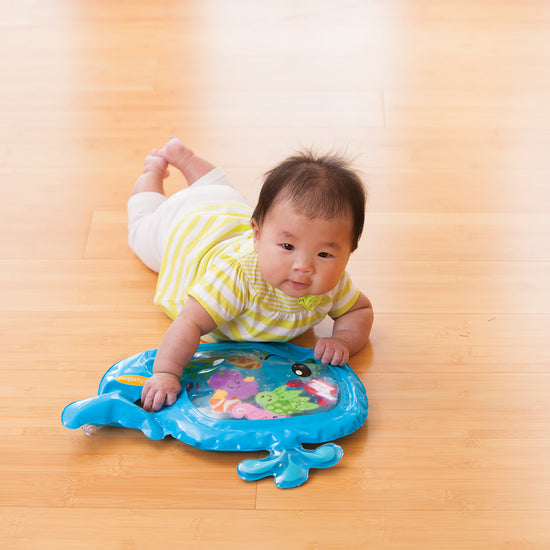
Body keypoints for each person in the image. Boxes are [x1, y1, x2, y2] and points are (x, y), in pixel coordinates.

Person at [128, 137, 374, 412]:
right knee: (141, 232)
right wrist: (167, 372)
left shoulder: (333, 280)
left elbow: (358, 310)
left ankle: (185, 158)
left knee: (221, 191)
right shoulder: (237, 277)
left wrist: (343, 340)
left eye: (324, 254)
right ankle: (152, 174)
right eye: (288, 246)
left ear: (349, 251)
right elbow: (190, 322)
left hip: (229, 208)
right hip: (186, 228)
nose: (304, 266)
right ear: (256, 236)